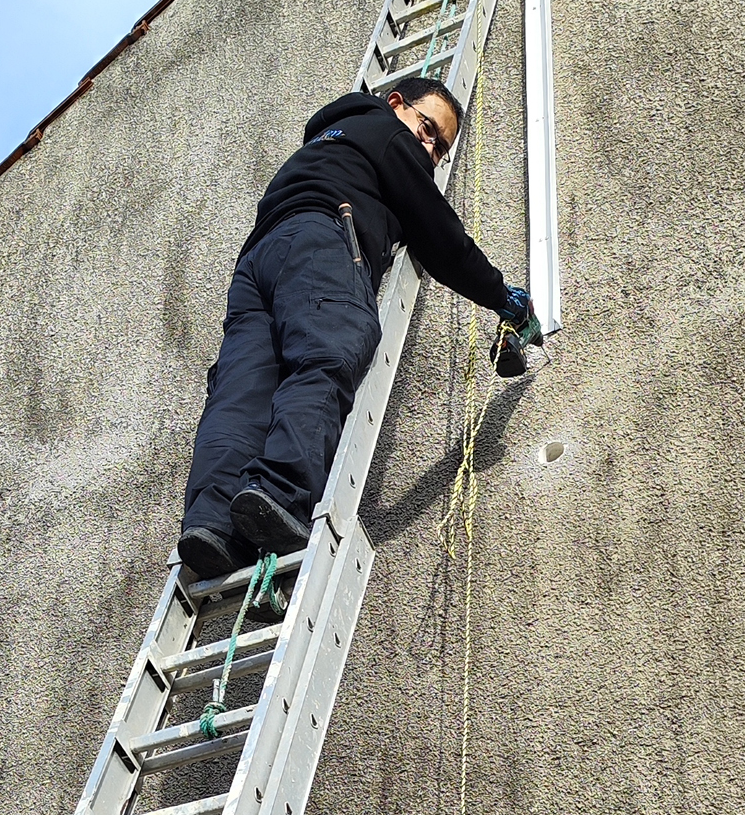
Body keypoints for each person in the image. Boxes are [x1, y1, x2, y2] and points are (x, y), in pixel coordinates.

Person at [177, 76, 537, 580]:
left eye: (440, 147)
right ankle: (279, 492)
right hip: (324, 242)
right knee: (328, 352)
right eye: (428, 128)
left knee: (241, 392)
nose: (429, 148)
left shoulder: (330, 139)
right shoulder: (387, 134)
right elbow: (442, 240)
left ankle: (211, 524)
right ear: (396, 104)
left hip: (259, 261)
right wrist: (504, 299)